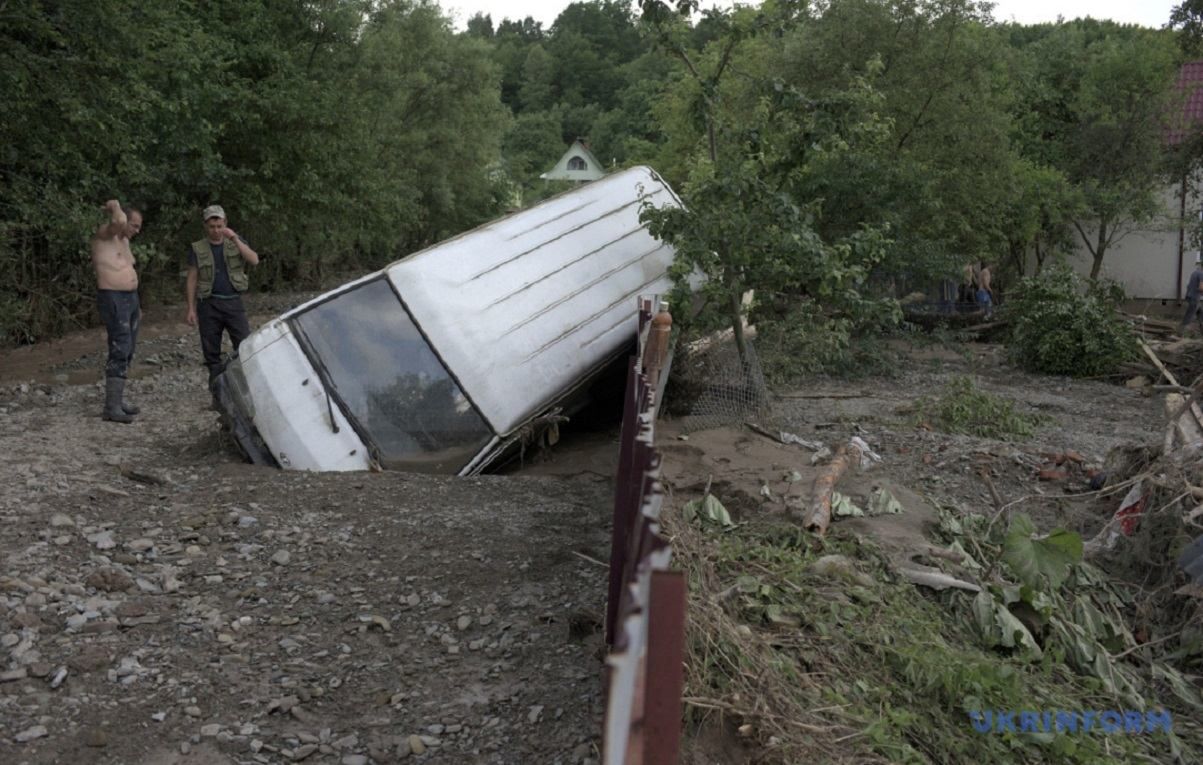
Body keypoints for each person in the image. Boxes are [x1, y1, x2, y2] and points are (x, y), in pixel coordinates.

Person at [185, 204, 259, 395]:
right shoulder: (197, 248)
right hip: (208, 304)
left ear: (225, 223)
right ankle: (218, 396)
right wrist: (191, 308)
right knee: (211, 354)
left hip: (233, 302)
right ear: (205, 226)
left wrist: (234, 238)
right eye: (212, 226)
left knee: (244, 346)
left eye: (219, 226)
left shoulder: (236, 242)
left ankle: (247, 392)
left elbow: (254, 260)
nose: (216, 230)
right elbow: (192, 278)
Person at [91, 199, 144, 423]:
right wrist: (115, 206)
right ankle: (111, 407)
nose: (136, 230)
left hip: (130, 298)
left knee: (129, 348)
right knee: (120, 346)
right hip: (113, 297)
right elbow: (119, 222)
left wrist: (137, 307)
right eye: (134, 225)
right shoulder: (104, 235)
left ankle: (118, 400)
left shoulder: (124, 241)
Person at [1181, 256, 1203, 336]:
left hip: (1190, 295)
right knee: (1190, 315)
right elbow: (1201, 288)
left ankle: (1201, 329)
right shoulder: (1202, 274)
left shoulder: (1195, 272)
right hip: (1195, 297)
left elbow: (1189, 285)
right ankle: (1181, 332)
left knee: (1200, 312)